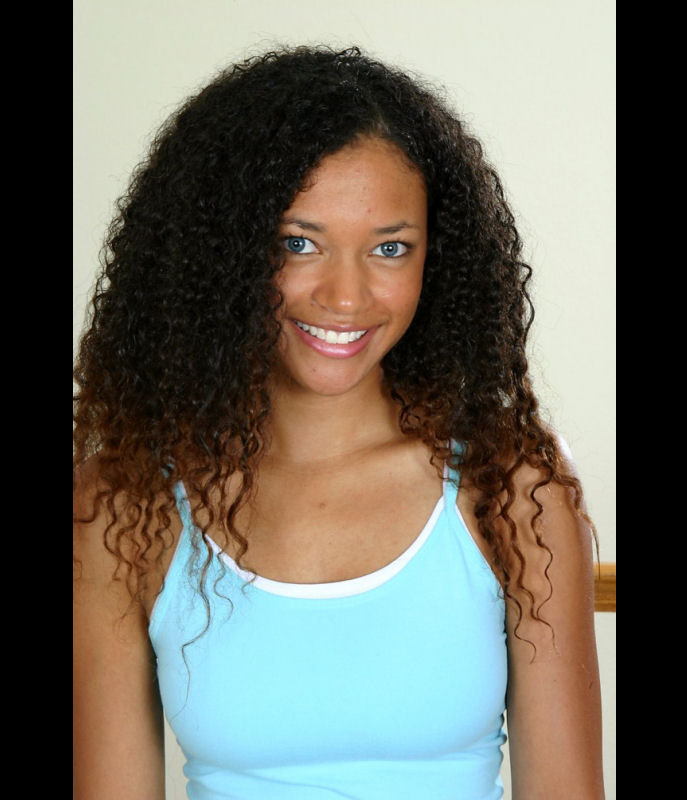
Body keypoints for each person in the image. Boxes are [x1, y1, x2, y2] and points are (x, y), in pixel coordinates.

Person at [73, 45, 604, 800]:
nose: (346, 297)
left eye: (390, 248)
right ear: (221, 251)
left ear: (435, 259)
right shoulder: (125, 504)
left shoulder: (512, 485)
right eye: (299, 243)